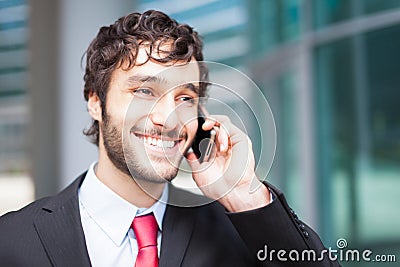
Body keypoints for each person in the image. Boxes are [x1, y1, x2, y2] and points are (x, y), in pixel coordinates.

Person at [0, 10, 340, 267]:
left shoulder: (240, 233)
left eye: (184, 98)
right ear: (95, 102)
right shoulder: (12, 241)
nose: (167, 119)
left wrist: (245, 197)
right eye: (145, 91)